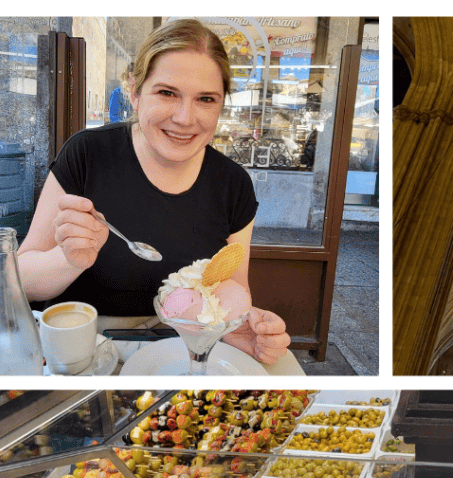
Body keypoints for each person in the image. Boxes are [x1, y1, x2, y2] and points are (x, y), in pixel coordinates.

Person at [17, 19, 290, 365]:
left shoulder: (233, 185)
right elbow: (20, 279)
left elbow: (232, 291)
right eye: (166, 92)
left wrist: (239, 328)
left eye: (206, 99)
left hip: (179, 355)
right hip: (83, 355)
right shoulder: (88, 156)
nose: (184, 117)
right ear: (135, 92)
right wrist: (67, 260)